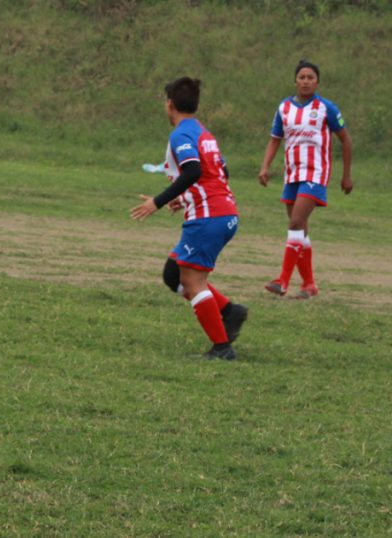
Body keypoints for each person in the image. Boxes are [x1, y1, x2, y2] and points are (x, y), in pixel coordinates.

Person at [131, 77, 248, 360]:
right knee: (173, 273)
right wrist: (184, 199)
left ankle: (222, 348)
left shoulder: (181, 134)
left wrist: (157, 202)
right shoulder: (203, 133)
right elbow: (220, 173)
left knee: (193, 282)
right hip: (222, 213)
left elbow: (193, 170)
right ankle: (230, 312)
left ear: (169, 104)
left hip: (210, 217)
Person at [259, 60, 353, 299]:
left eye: (310, 77)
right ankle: (309, 284)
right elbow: (275, 139)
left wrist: (346, 175)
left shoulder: (326, 108)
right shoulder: (284, 108)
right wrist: (265, 167)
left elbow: (346, 140)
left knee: (295, 223)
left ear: (317, 82)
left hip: (315, 173)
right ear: (295, 81)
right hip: (292, 174)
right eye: (302, 77)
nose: (306, 81)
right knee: (300, 230)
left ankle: (282, 280)